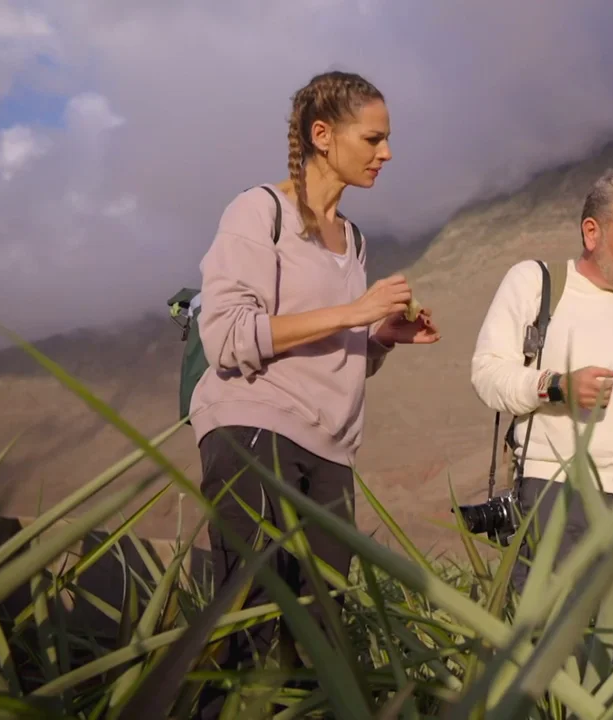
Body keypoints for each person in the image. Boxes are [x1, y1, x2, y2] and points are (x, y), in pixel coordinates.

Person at [189, 70, 439, 712]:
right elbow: (229, 337)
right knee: (255, 628)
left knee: (321, 637)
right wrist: (355, 312)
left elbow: (338, 358)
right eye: (374, 138)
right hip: (255, 430)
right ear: (322, 136)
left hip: (331, 451)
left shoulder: (352, 239)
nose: (387, 154)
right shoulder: (258, 211)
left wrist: (380, 336)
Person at [470, 168, 613, 594]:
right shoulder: (535, 284)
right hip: (554, 493)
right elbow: (486, 374)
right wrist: (557, 385)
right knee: (558, 645)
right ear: (591, 232)